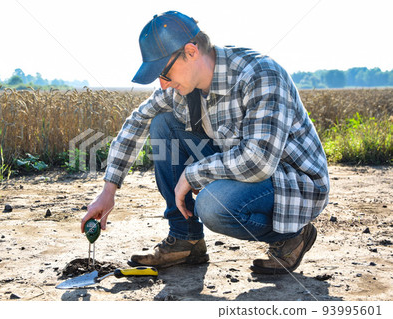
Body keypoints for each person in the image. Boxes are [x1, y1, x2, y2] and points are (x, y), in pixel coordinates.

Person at [81, 10, 330, 274]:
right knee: (162, 123)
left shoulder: (259, 75)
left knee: (211, 205)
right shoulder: (182, 87)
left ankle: (292, 236)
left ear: (191, 51)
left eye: (164, 73)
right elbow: (136, 123)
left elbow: (258, 161)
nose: (163, 85)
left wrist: (192, 175)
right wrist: (108, 192)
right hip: (241, 166)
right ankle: (186, 240)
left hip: (290, 180)